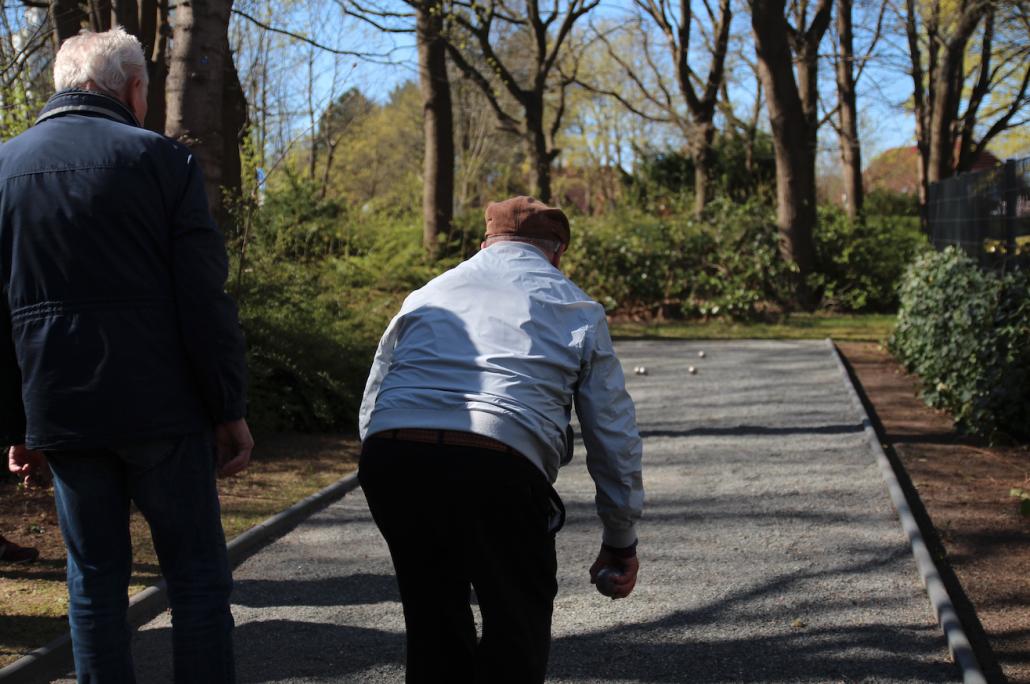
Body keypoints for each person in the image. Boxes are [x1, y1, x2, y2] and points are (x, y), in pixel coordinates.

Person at [0, 28, 252, 682]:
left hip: (62, 410)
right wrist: (227, 407)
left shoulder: (5, 170)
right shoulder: (165, 162)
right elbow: (203, 299)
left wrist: (19, 427)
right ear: (136, 88)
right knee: (196, 577)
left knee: (93, 582)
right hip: (162, 408)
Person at [358, 195, 644, 683]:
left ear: (485, 242)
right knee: (517, 620)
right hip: (497, 460)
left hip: (393, 456)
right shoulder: (576, 306)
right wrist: (620, 538)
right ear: (557, 252)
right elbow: (611, 431)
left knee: (433, 622)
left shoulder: (427, 294)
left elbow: (374, 399)